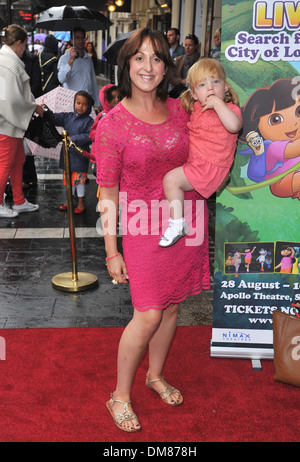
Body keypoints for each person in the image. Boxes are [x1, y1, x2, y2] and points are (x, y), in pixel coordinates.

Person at [94, 28, 210, 433]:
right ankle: (119, 396)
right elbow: (107, 193)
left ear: (167, 66)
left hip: (187, 220)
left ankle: (154, 374)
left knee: (173, 305)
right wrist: (112, 250)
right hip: (142, 228)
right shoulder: (112, 125)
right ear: (127, 65)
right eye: (139, 58)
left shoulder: (181, 109)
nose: (148, 67)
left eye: (157, 58)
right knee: (147, 314)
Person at [160, 58, 242, 247]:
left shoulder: (230, 109)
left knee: (170, 180)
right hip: (197, 164)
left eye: (215, 82)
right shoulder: (195, 108)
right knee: (171, 180)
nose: (210, 88)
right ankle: (177, 222)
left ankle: (177, 224)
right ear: (195, 94)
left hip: (210, 167)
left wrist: (218, 105)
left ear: (226, 86)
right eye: (203, 84)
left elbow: (234, 126)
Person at [0, 24, 43, 218]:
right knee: (5, 164)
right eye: (25, 45)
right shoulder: (8, 63)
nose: (25, 49)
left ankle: (18, 200)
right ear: (18, 43)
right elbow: (11, 99)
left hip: (10, 121)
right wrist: (33, 106)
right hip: (6, 122)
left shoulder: (6, 60)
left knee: (18, 160)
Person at [47, 90, 94, 213]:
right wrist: (45, 110)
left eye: (84, 104)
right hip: (67, 155)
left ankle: (80, 202)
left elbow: (90, 136)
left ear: (88, 106)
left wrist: (74, 139)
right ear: (74, 103)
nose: (81, 106)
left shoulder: (89, 121)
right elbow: (55, 118)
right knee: (68, 179)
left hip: (79, 155)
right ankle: (69, 200)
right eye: (78, 103)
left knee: (79, 180)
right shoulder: (68, 117)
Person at [57, 27, 100, 107]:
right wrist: (70, 61)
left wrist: (98, 102)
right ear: (71, 40)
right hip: (72, 104)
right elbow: (61, 79)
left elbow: (93, 81)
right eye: (77, 38)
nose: (80, 41)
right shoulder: (64, 59)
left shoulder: (88, 59)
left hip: (88, 103)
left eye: (82, 38)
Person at [169, 34, 200, 98]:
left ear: (195, 46)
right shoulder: (178, 60)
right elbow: (171, 78)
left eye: (190, 45)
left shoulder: (200, 62)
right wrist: (181, 81)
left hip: (194, 93)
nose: (187, 47)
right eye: (185, 45)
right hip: (179, 93)